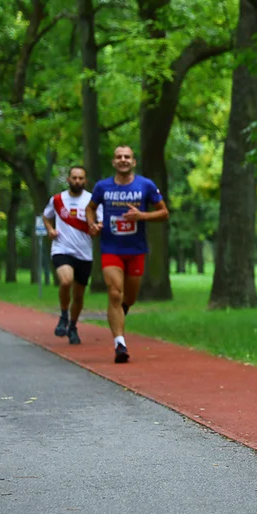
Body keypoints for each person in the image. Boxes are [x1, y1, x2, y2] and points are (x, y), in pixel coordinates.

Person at [86, 146, 169, 363]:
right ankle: (120, 344)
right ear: (113, 162)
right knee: (115, 293)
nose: (123, 160)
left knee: (128, 298)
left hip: (136, 250)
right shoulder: (102, 186)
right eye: (118, 157)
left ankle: (118, 315)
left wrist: (142, 215)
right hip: (111, 249)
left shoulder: (145, 185)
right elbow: (90, 208)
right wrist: (92, 224)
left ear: (133, 162)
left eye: (127, 157)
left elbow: (164, 212)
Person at [41, 166, 102, 345]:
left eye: (81, 178)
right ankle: (63, 315)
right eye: (74, 178)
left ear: (86, 181)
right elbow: (46, 216)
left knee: (79, 294)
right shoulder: (58, 200)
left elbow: (101, 221)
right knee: (66, 281)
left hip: (84, 252)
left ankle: (73, 326)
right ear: (68, 179)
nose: (77, 181)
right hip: (62, 249)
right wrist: (50, 229)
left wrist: (98, 228)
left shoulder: (92, 200)